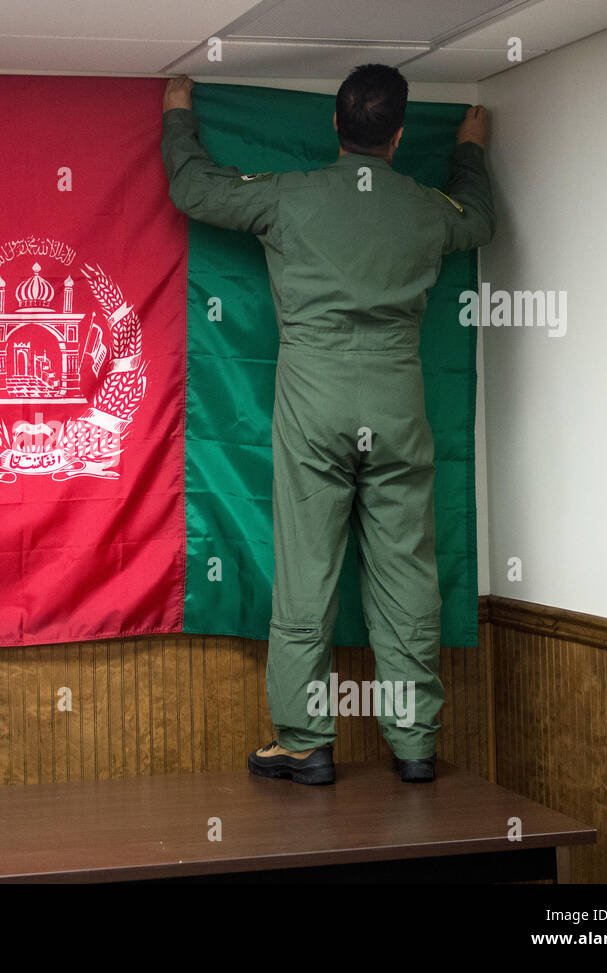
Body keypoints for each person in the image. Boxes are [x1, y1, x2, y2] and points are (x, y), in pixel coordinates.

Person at [161, 65, 494, 784]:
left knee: (307, 576)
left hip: (314, 402)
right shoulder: (424, 208)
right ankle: (414, 744)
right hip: (398, 403)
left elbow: (193, 188)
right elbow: (478, 218)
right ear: (399, 137)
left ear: (335, 129)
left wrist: (179, 108)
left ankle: (306, 740)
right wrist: (468, 147)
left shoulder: (288, 197)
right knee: (407, 573)